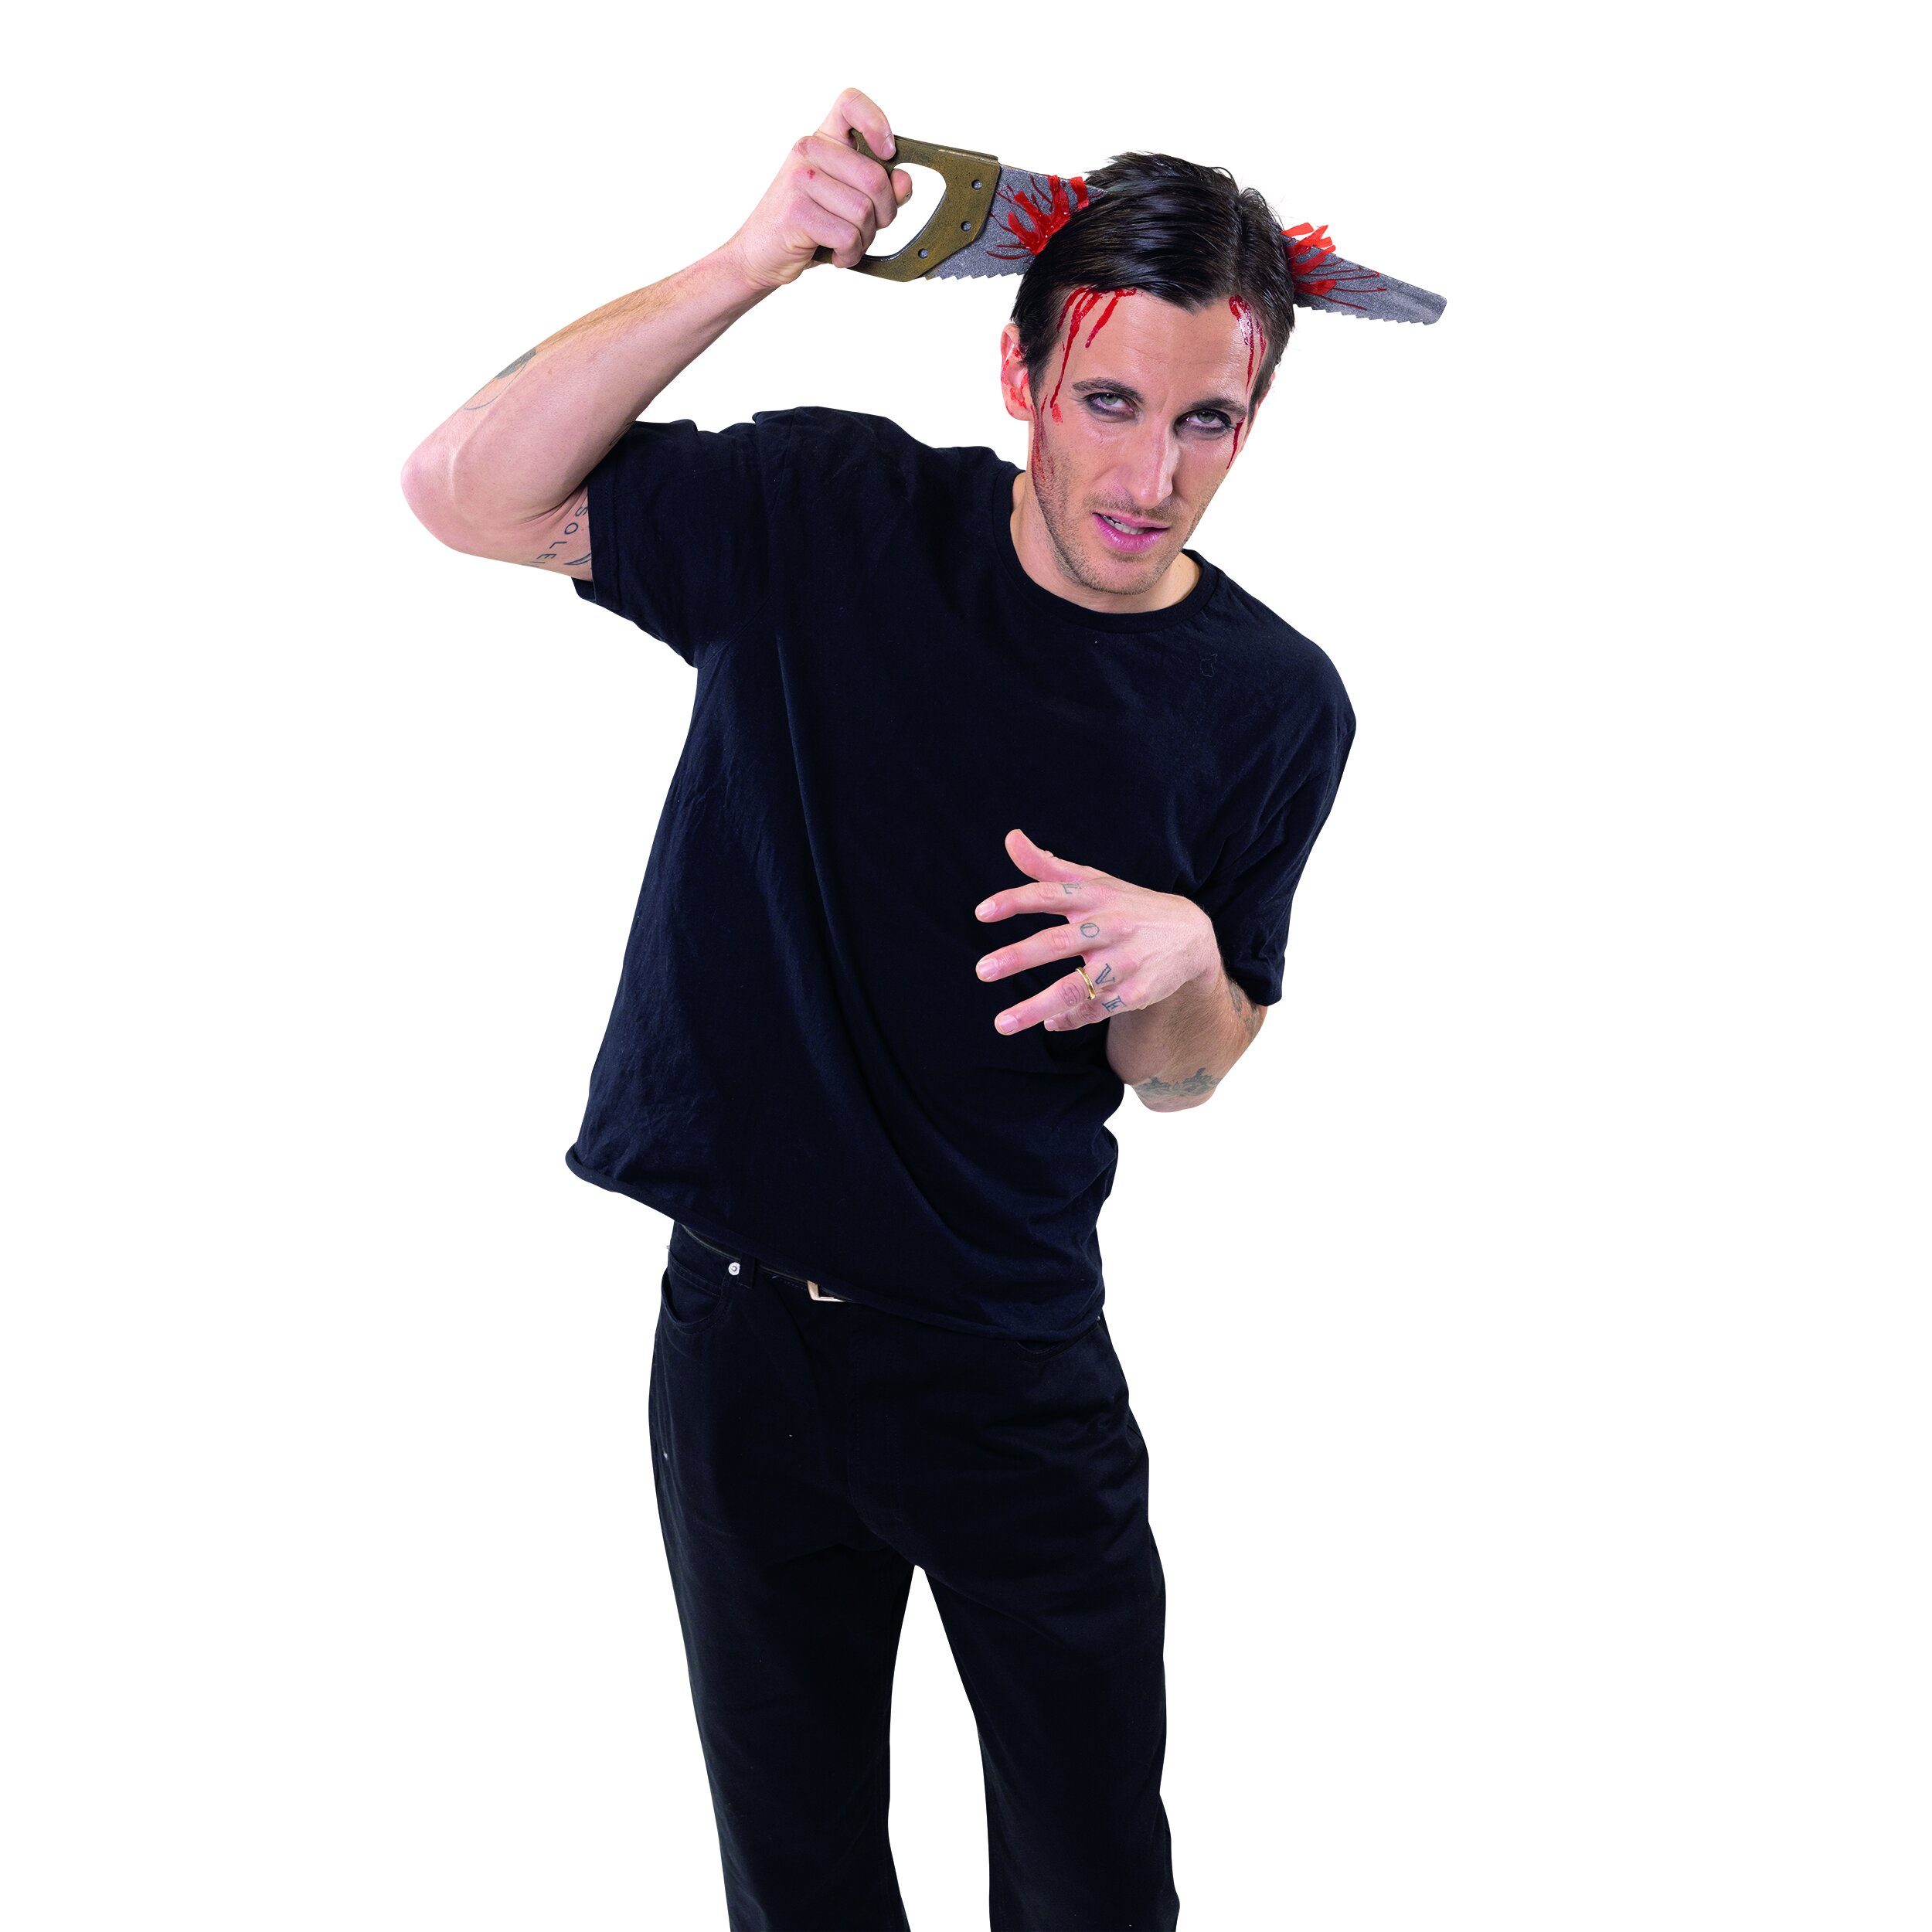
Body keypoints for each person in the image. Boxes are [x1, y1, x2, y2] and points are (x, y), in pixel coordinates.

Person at [403, 87, 1359, 1932]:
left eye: (1207, 421)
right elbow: (468, 492)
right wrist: (753, 259)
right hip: (741, 1344)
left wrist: (1185, 961)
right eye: (1107, 400)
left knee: (1091, 1891)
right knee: (802, 1889)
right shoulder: (824, 514)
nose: (1149, 472)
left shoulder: (1270, 702)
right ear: (1019, 375)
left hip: (1007, 1366)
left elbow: (1182, 1081)